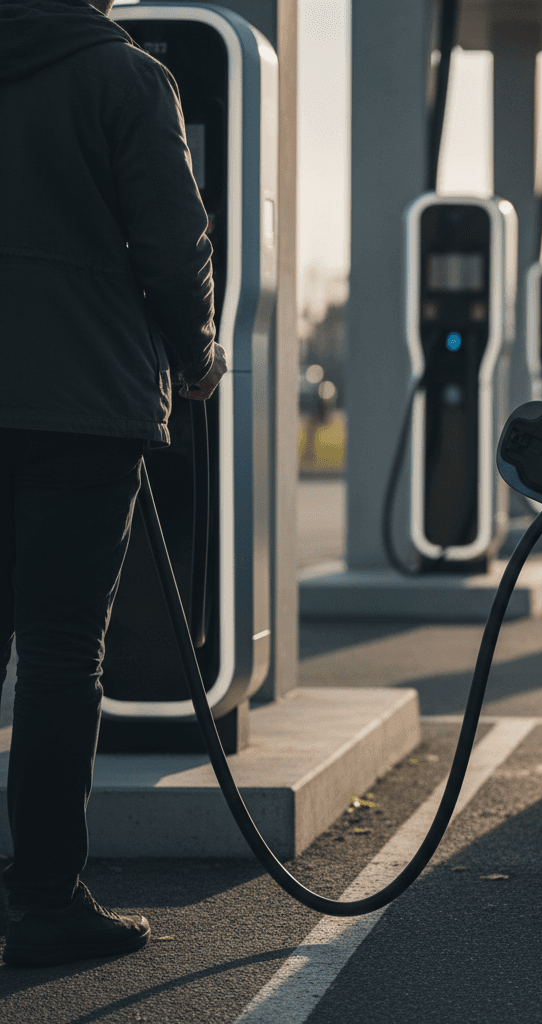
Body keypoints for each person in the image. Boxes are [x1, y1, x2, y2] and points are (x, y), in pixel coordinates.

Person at [0, 0, 226, 967]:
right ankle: (46, 900)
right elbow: (173, 245)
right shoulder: (127, 78)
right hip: (81, 406)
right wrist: (198, 354)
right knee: (59, 657)